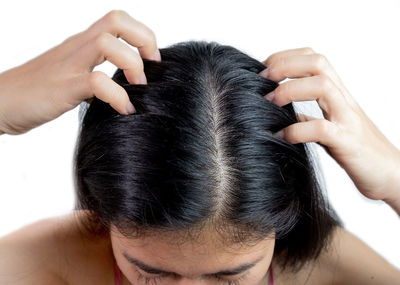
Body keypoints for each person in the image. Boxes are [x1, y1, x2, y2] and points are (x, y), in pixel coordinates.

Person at [0, 9, 399, 285]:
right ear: (106, 218)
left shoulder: (327, 272)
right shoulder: (47, 267)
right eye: (151, 272)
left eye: (230, 276)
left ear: (282, 226)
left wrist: (395, 180)